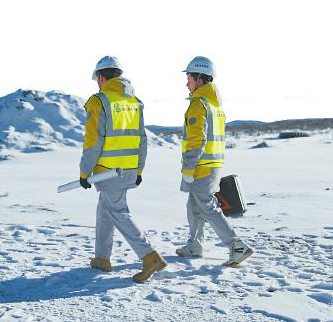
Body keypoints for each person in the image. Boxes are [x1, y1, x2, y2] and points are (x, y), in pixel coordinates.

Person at [80, 55, 167, 283]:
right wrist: (138, 170)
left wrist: (84, 172)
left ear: (101, 77)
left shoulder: (99, 101)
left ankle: (149, 256)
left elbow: (93, 141)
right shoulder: (134, 102)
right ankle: (102, 258)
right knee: (105, 210)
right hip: (128, 169)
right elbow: (142, 139)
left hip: (108, 170)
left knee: (118, 212)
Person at [175, 56, 254, 267]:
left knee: (208, 207)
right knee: (194, 206)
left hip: (201, 166)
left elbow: (196, 139)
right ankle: (195, 246)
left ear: (199, 79)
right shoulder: (215, 106)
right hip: (213, 164)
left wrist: (188, 167)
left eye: (189, 79)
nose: (186, 84)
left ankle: (237, 246)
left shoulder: (199, 104)